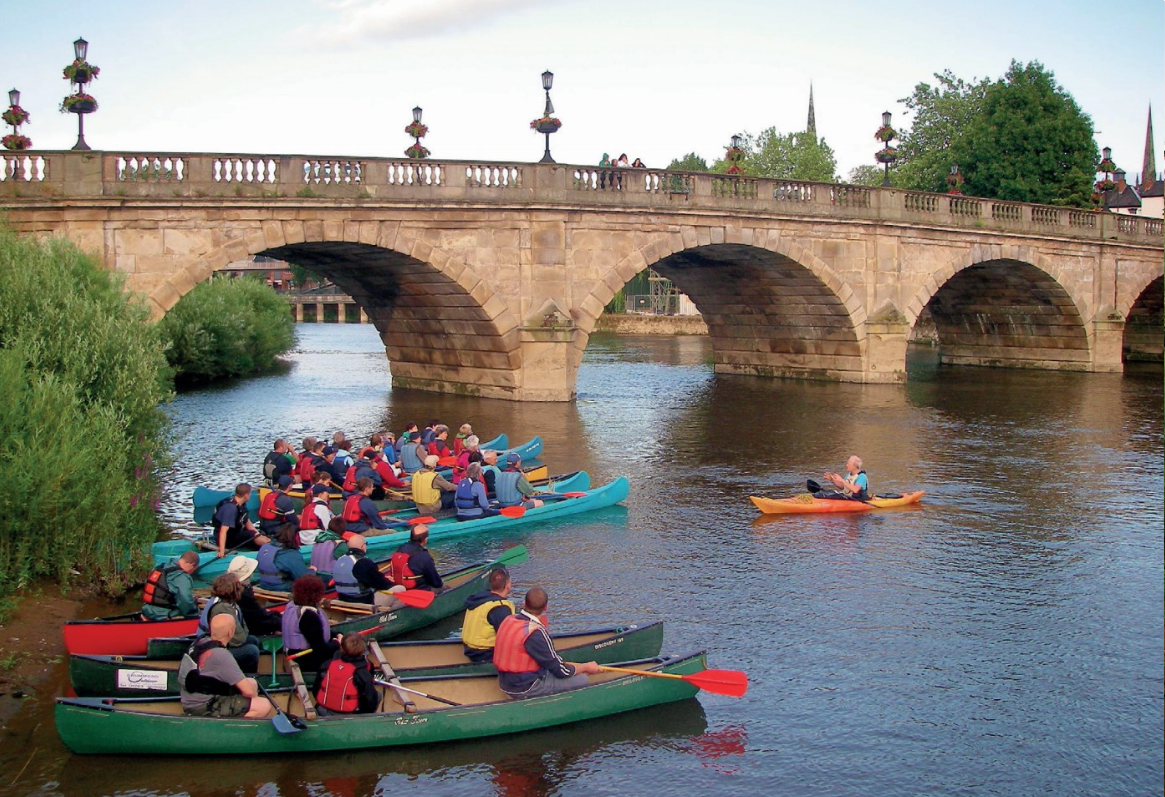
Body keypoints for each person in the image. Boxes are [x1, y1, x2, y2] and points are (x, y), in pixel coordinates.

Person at [494, 587, 600, 698]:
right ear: (546, 608)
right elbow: (561, 671)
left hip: (505, 683)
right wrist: (585, 667)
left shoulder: (508, 620)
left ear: (524, 603)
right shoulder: (535, 632)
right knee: (582, 679)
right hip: (525, 688)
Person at [178, 613, 275, 718]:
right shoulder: (222, 655)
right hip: (203, 706)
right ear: (231, 632)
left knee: (252, 682)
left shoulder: (200, 642)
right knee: (263, 705)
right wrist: (253, 697)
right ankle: (233, 729)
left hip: (192, 698)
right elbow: (249, 692)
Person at [195, 573, 261, 672]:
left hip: (217, 641)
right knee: (252, 651)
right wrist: (242, 632)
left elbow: (242, 632)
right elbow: (239, 639)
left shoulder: (224, 602)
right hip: (210, 648)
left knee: (253, 640)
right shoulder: (223, 608)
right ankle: (246, 678)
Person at [282, 574, 340, 672]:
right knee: (344, 654)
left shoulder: (292, 605)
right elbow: (321, 650)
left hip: (294, 653)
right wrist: (337, 643)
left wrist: (337, 634)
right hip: (304, 659)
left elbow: (316, 633)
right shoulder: (308, 616)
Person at [332, 533, 405, 609]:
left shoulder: (339, 560)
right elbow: (382, 585)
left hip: (343, 600)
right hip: (363, 603)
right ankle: (387, 617)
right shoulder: (363, 562)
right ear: (362, 546)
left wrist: (382, 578)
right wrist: (387, 580)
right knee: (401, 589)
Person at [314, 633, 379, 715]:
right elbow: (370, 702)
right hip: (348, 713)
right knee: (377, 695)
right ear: (362, 650)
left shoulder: (327, 664)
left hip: (322, 709)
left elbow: (316, 689)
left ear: (342, 647)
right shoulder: (362, 673)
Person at [461, 567, 515, 663]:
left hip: (469, 649)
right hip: (485, 654)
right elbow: (508, 638)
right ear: (508, 586)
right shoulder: (499, 608)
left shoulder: (479, 600)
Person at [228, 556, 283, 636]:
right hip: (250, 625)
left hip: (247, 620)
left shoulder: (233, 589)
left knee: (276, 615)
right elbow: (260, 616)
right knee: (280, 621)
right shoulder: (244, 595)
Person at [213, 483, 270, 558]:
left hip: (235, 533)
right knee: (250, 534)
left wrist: (258, 534)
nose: (250, 495)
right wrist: (222, 551)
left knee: (256, 534)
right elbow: (223, 531)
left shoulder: (240, 503)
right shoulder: (231, 509)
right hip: (227, 539)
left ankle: (267, 543)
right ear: (246, 495)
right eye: (249, 493)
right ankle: (270, 548)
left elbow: (247, 522)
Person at [141, 551, 200, 621]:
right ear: (192, 565)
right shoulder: (181, 576)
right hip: (162, 615)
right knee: (195, 612)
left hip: (147, 610)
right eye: (194, 570)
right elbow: (185, 601)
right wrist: (195, 614)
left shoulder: (162, 567)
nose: (191, 572)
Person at [256, 522, 314, 592]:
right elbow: (303, 578)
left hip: (263, 585)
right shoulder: (291, 554)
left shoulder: (265, 547)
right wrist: (312, 571)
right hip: (282, 588)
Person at [388, 525, 443, 592]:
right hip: (418, 590)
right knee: (444, 588)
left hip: (399, 586)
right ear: (425, 539)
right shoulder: (424, 556)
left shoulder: (400, 548)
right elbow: (437, 583)